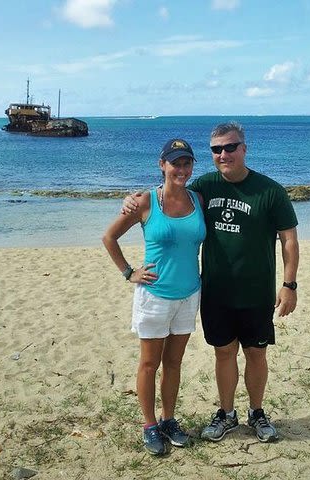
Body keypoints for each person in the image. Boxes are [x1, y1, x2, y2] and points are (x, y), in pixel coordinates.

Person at [123, 122, 299, 443]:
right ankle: (227, 414)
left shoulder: (270, 191)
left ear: (244, 148)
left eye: (230, 147)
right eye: (217, 149)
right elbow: (171, 190)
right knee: (223, 354)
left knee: (257, 354)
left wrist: (289, 285)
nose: (223, 154)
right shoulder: (205, 186)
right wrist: (134, 200)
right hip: (215, 292)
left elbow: (288, 239)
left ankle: (257, 412)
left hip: (257, 292)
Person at [102, 138, 206, 455]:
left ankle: (168, 419)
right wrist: (128, 272)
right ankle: (149, 425)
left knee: (174, 363)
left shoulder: (199, 198)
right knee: (150, 363)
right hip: (155, 295)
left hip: (189, 294)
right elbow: (109, 237)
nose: (182, 169)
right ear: (162, 165)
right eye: (175, 162)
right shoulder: (146, 202)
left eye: (187, 162)